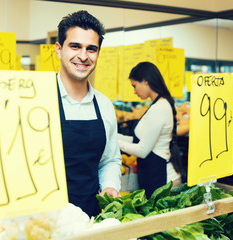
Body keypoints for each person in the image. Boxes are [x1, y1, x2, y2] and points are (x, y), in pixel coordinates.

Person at [55, 10, 122, 217]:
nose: (83, 56)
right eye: (75, 46)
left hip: (90, 217)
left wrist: (110, 186)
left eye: (91, 49)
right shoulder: (36, 100)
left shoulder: (104, 105)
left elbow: (109, 159)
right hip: (45, 221)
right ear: (59, 49)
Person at [118, 62, 182, 198]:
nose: (134, 91)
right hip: (155, 175)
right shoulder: (157, 105)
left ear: (146, 81)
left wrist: (116, 143)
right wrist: (113, 136)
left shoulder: (160, 107)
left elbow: (142, 150)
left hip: (164, 181)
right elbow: (139, 140)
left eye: (134, 86)